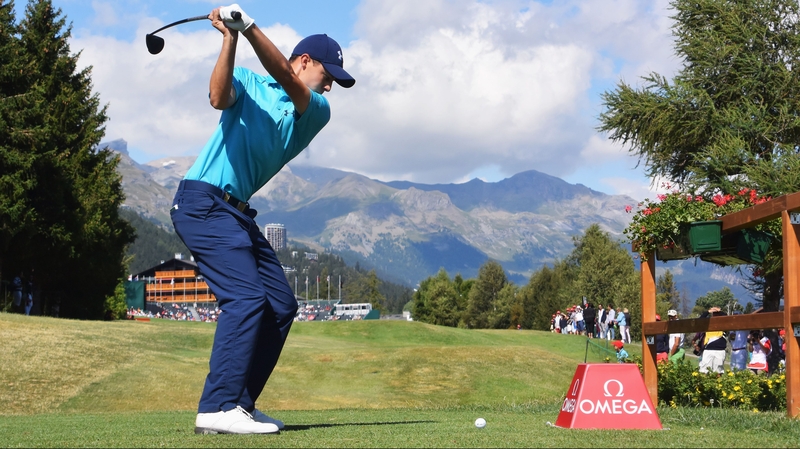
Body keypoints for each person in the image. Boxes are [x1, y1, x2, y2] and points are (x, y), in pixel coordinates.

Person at [169, 4, 355, 435]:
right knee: (247, 298)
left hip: (234, 214)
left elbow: (290, 82)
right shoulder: (250, 83)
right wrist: (230, 38)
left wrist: (248, 27)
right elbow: (217, 97)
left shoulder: (317, 109)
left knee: (281, 305)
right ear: (305, 59)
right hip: (202, 202)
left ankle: (239, 406)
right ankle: (216, 407)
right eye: (328, 73)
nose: (331, 84)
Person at [698, 307, 728, 374]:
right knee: (704, 371)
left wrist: (720, 311)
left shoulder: (724, 324)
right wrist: (708, 311)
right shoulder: (707, 323)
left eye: (717, 314)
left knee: (718, 372)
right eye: (714, 313)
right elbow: (700, 320)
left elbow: (727, 317)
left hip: (720, 350)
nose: (716, 315)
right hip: (708, 349)